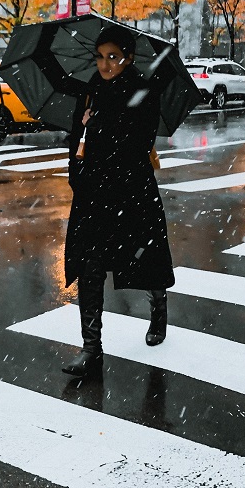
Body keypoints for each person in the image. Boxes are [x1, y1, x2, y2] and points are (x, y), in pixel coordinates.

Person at [61, 25, 175, 377]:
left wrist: (100, 123)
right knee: (89, 266)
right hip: (94, 193)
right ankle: (91, 349)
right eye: (100, 56)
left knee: (144, 261)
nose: (105, 64)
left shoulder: (143, 89)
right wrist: (76, 167)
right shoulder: (90, 91)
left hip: (131, 192)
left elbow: (138, 143)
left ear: (128, 58)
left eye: (113, 57)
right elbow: (76, 139)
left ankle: (159, 306)